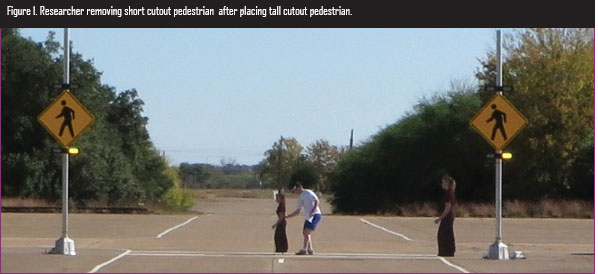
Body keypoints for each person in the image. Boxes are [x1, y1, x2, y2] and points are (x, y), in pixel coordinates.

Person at [285, 183, 322, 255]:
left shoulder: (308, 192)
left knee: (306, 232)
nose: (294, 192)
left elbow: (317, 201)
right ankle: (310, 249)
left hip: (315, 214)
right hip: (308, 216)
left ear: (299, 188)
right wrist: (288, 216)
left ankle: (304, 249)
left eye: (295, 190)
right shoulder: (300, 198)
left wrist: (313, 211)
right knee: (305, 233)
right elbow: (298, 211)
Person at [434, 174, 456, 257]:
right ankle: (447, 251)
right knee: (447, 233)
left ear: (447, 182)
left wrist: (440, 218)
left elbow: (447, 208)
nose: (442, 184)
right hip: (449, 216)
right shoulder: (449, 192)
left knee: (444, 234)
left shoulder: (449, 193)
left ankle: (447, 251)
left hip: (448, 217)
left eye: (443, 182)